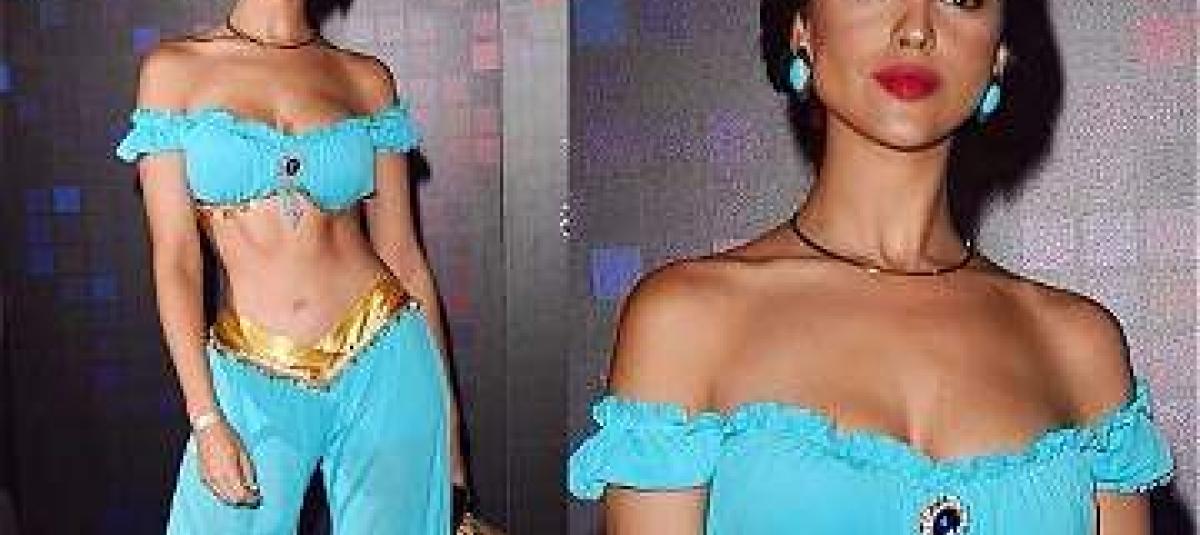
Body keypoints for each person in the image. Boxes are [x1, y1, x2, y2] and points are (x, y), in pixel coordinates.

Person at [566, 1, 1174, 534]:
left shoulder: (1078, 344)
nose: (915, 28)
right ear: (802, 25)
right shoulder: (686, 322)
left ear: (1000, 51)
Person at [114, 0, 479, 532]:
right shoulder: (173, 73)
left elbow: (405, 258)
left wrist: (450, 434)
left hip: (384, 356)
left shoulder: (366, 79)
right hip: (251, 372)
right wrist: (206, 417)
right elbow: (176, 261)